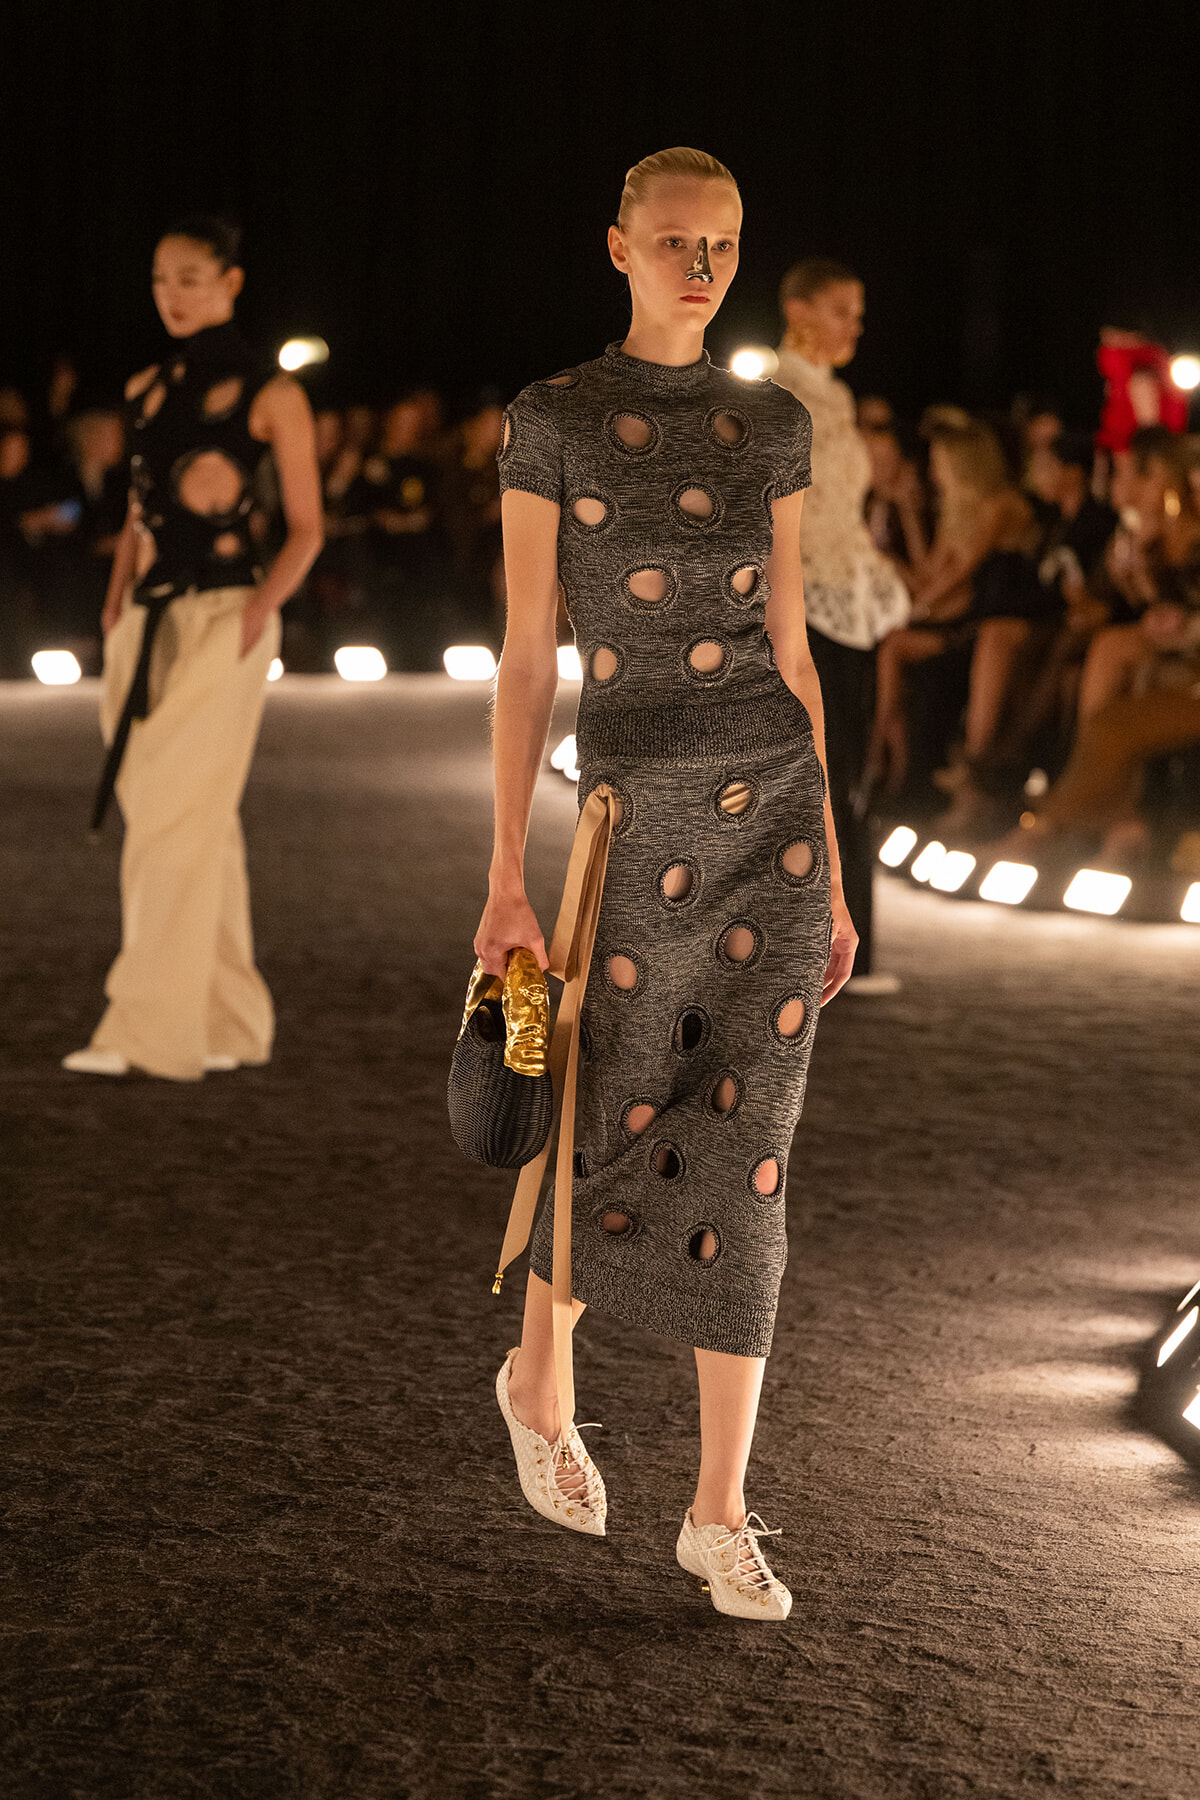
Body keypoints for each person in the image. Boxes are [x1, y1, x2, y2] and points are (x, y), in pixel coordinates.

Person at [475, 147, 855, 1621]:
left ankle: (718, 1511)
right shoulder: (553, 419)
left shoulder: (774, 422)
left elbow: (793, 649)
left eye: (725, 245)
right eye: (678, 241)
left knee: (751, 1149)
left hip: (780, 817)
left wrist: (837, 874)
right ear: (619, 246)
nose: (703, 266)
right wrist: (504, 874)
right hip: (632, 818)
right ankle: (536, 1374)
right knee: (610, 1108)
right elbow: (527, 660)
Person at [63, 216, 322, 1081]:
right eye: (161, 279)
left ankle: (146, 1028)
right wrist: (114, 600)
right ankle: (232, 1020)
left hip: (225, 615)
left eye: (191, 277)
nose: (174, 294)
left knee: (172, 816)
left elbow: (307, 527)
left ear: (231, 282)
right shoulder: (143, 388)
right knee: (185, 817)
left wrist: (261, 611)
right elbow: (141, 510)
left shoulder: (272, 394)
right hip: (146, 619)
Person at [774, 258, 910, 993]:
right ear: (798, 308)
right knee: (815, 771)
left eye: (858, 311)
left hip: (847, 603)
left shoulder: (834, 393)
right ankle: (814, 947)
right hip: (806, 603)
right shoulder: (777, 391)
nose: (853, 324)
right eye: (839, 309)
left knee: (846, 774)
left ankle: (843, 948)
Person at [1008, 426, 1200, 862]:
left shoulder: (1186, 532)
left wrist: (1181, 625)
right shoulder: (1156, 531)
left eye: (1141, 476)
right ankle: (1108, 821)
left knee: (1112, 701)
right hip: (1179, 660)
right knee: (1111, 666)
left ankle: (1051, 825)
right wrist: (1140, 579)